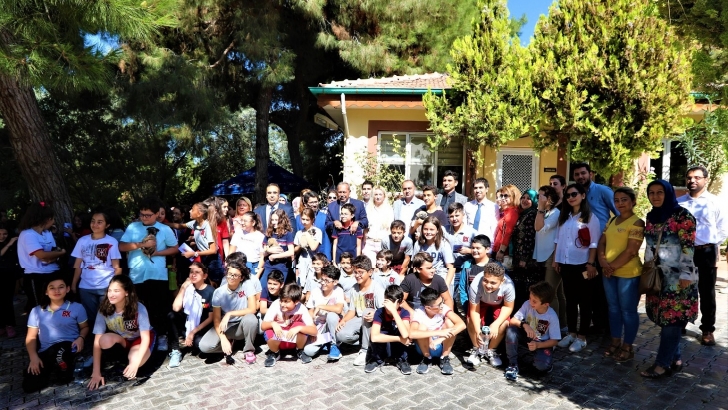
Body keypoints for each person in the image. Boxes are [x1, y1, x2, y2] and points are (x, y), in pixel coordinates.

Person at [640, 180, 698, 378]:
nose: (655, 196)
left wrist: (686, 274)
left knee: (672, 320)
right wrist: (647, 268)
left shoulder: (683, 216)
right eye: (651, 192)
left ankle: (662, 364)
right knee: (663, 318)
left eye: (660, 192)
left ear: (668, 194)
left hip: (678, 279)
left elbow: (688, 247)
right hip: (658, 276)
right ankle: (675, 358)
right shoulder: (651, 216)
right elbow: (650, 245)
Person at [677, 165, 727, 346]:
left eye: (697, 177)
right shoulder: (679, 203)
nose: (692, 180)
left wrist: (711, 244)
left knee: (706, 291)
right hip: (684, 253)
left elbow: (723, 228)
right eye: (689, 177)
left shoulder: (715, 202)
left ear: (705, 179)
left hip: (706, 252)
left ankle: (707, 329)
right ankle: (681, 322)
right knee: (683, 289)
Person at [119, 197, 178, 352]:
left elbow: (174, 248)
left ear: (157, 214)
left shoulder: (164, 229)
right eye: (142, 214)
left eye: (148, 215)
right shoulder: (133, 227)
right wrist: (141, 245)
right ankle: (145, 337)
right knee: (141, 308)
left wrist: (157, 252)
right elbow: (122, 246)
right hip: (137, 273)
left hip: (157, 274)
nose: (144, 218)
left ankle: (162, 336)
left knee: (160, 307)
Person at [597, 187, 644, 362]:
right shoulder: (612, 220)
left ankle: (627, 346)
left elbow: (631, 251)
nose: (620, 203)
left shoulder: (637, 223)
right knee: (613, 309)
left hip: (628, 274)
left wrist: (610, 267)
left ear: (633, 201)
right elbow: (602, 242)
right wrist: (602, 261)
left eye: (624, 199)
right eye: (616, 200)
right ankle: (615, 341)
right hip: (609, 272)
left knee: (628, 311)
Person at [553, 184, 601, 353]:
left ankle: (582, 337)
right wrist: (556, 260)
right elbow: (558, 240)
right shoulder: (564, 217)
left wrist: (591, 263)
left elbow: (594, 243)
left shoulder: (590, 218)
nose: (571, 198)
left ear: (582, 195)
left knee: (585, 301)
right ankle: (572, 333)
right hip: (566, 264)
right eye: (567, 195)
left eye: (574, 194)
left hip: (583, 264)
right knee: (571, 301)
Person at [572, 163, 618, 333]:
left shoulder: (602, 191)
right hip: (581, 248)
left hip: (600, 246)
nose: (580, 177)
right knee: (588, 288)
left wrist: (611, 234)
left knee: (600, 288)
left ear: (590, 174)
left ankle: (605, 325)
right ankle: (596, 323)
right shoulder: (575, 193)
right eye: (577, 174)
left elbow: (619, 213)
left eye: (583, 173)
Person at [23, 274, 89, 392]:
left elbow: (85, 327)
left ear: (67, 289)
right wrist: (33, 357)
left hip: (69, 347)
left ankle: (63, 370)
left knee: (62, 359)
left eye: (61, 287)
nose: (57, 291)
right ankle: (55, 368)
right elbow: (31, 337)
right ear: (46, 291)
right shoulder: (36, 311)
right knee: (29, 386)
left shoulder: (77, 307)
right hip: (47, 351)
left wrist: (81, 338)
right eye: (52, 288)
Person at [88, 276, 153, 390]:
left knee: (137, 362)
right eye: (109, 290)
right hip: (122, 340)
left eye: (116, 291)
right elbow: (97, 342)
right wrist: (96, 372)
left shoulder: (139, 308)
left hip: (139, 340)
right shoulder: (103, 309)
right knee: (104, 340)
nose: (111, 294)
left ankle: (134, 361)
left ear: (126, 292)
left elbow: (145, 338)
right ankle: (123, 361)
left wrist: (135, 363)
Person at [199, 262, 260, 365]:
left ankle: (248, 350)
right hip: (226, 326)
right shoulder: (219, 292)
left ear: (241, 278)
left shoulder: (247, 285)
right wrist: (223, 338)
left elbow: (252, 309)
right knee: (204, 346)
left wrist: (230, 314)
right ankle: (229, 346)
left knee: (251, 319)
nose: (231, 277)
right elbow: (216, 319)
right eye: (229, 274)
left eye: (235, 275)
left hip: (242, 324)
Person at [70, 211, 123, 325]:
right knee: (91, 318)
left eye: (100, 222)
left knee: (108, 316)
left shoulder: (111, 241)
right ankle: (94, 336)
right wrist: (74, 284)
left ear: (107, 225)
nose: (95, 225)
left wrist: (115, 286)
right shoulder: (82, 241)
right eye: (93, 221)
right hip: (85, 286)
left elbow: (117, 267)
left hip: (106, 285)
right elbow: (78, 265)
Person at [504, 281, 561, 381]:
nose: (530, 302)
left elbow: (555, 341)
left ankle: (543, 362)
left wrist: (538, 345)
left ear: (545, 304)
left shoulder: (552, 316)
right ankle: (512, 364)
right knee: (511, 330)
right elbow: (512, 321)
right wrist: (524, 325)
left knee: (541, 366)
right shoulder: (527, 304)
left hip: (542, 342)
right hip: (526, 336)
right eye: (530, 298)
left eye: (534, 301)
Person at [335, 256, 386, 366]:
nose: (357, 275)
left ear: (370, 272)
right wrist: (343, 320)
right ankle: (365, 341)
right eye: (355, 272)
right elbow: (352, 311)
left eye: (360, 272)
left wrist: (375, 314)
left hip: (374, 321)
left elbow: (383, 309)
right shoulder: (354, 288)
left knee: (367, 311)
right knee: (341, 334)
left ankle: (365, 350)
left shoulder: (377, 288)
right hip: (359, 319)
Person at [17, 202, 66, 313]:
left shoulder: (47, 233)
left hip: (54, 272)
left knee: (56, 305)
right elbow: (42, 255)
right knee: (40, 307)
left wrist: (54, 256)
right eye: (52, 219)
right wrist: (61, 253)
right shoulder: (27, 234)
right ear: (46, 219)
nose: (53, 221)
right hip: (35, 275)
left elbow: (53, 251)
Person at [466, 262, 515, 367]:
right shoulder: (475, 284)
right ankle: (477, 348)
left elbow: (508, 307)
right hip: (481, 302)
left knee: (504, 324)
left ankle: (491, 350)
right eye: (485, 280)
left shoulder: (509, 285)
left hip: (499, 303)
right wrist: (478, 331)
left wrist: (496, 324)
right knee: (471, 320)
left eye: (493, 283)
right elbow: (474, 311)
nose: (488, 285)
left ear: (502, 281)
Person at [166, 262, 214, 368]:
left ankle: (194, 342)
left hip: (201, 328)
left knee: (199, 345)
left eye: (197, 272)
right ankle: (175, 350)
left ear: (204, 276)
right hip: (187, 325)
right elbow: (176, 308)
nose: (193, 275)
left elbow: (211, 318)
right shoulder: (188, 289)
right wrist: (183, 287)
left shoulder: (210, 291)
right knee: (171, 316)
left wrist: (192, 333)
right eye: (191, 272)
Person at [409, 287, 466, 375]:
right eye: (439, 305)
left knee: (449, 323)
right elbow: (411, 334)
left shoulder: (443, 308)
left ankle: (444, 357)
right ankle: (426, 358)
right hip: (424, 347)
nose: (442, 305)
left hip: (440, 346)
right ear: (428, 308)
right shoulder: (419, 313)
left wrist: (440, 339)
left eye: (442, 302)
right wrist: (438, 333)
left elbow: (462, 324)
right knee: (422, 327)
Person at [262, 283, 318, 367]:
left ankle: (299, 350)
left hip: (294, 341)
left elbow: (314, 331)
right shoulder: (275, 305)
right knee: (269, 329)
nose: (282, 304)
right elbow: (263, 326)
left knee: (300, 325)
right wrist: (273, 324)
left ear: (296, 302)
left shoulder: (301, 308)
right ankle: (275, 352)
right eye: (281, 300)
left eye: (286, 301)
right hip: (279, 340)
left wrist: (299, 328)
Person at [534, 186, 566, 330]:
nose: (538, 199)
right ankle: (562, 325)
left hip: (552, 255)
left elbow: (538, 227)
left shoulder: (555, 213)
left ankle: (554, 327)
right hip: (543, 254)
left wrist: (540, 209)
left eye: (541, 196)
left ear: (550, 199)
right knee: (557, 293)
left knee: (550, 293)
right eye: (538, 196)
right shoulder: (544, 213)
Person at [366, 284, 412, 374]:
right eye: (387, 302)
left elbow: (405, 334)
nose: (388, 307)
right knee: (379, 335)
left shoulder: (404, 312)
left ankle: (402, 360)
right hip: (384, 345)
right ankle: (377, 360)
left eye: (392, 304)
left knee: (402, 332)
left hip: (398, 347)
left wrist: (394, 312)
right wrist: (399, 339)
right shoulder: (380, 312)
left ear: (400, 302)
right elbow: (374, 337)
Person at [303, 265, 345, 361]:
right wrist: (312, 327)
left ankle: (334, 345)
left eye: (326, 281)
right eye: (322, 280)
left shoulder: (338, 291)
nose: (323, 283)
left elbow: (338, 309)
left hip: (333, 325)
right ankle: (325, 342)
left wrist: (320, 306)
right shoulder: (315, 291)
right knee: (308, 351)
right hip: (319, 326)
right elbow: (310, 310)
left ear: (335, 282)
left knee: (331, 315)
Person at [510, 189, 540, 309]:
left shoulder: (532, 215)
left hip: (527, 260)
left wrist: (524, 258)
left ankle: (526, 314)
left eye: (528, 198)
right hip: (519, 257)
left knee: (526, 289)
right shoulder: (523, 214)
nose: (525, 200)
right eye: (523, 197)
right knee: (519, 288)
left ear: (534, 201)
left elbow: (530, 237)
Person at [411, 216, 455, 288]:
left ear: (437, 230)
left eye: (431, 229)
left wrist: (446, 285)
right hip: (424, 277)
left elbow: (451, 267)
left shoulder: (444, 244)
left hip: (441, 276)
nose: (428, 232)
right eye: (425, 229)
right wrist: (417, 282)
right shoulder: (418, 244)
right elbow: (415, 266)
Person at [257, 209, 295, 286]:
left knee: (278, 287)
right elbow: (264, 252)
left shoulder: (287, 234)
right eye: (272, 220)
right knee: (263, 286)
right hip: (268, 266)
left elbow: (291, 252)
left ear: (282, 220)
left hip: (282, 266)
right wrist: (269, 251)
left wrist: (274, 256)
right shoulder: (269, 234)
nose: (274, 222)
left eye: (276, 220)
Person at [457, 235, 492, 314]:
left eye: (478, 248)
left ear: (487, 249)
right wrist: (466, 304)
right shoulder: (467, 265)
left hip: (490, 305)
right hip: (472, 305)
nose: (475, 250)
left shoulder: (495, 265)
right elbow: (462, 287)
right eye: (473, 248)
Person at [296, 190, 332, 260]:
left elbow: (327, 239)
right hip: (305, 257)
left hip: (321, 255)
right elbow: (298, 239)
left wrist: (327, 257)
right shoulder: (298, 218)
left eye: (316, 202)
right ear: (305, 204)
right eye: (311, 202)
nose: (314, 204)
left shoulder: (325, 217)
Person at [362, 186, 393, 265]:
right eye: (376, 194)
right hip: (370, 243)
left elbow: (390, 229)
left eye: (380, 194)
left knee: (381, 267)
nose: (378, 197)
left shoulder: (389, 210)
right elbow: (365, 228)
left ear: (384, 196)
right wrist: (364, 240)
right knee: (370, 266)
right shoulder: (368, 209)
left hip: (382, 243)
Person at [202, 197, 230, 282]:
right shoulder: (200, 222)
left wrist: (228, 259)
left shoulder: (222, 222)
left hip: (217, 258)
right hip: (202, 257)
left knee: (216, 281)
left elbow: (225, 241)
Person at [0, 224, 21, 337]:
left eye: (5, 234)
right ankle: (2, 325)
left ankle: (9, 325)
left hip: (8, 275)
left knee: (7, 301)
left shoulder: (13, 245)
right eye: (0, 234)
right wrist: (9, 244)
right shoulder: (9, 244)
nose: (2, 236)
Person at [492, 185, 521, 263]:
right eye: (501, 195)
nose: (502, 198)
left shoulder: (512, 212)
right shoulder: (506, 211)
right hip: (499, 249)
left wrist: (501, 251)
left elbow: (508, 233)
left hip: (505, 253)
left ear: (513, 196)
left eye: (506, 196)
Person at [294, 208, 322, 286]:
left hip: (314, 261)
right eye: (303, 219)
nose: (304, 222)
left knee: (313, 283)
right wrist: (300, 245)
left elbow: (313, 247)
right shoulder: (299, 233)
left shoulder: (317, 231)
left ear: (312, 220)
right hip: (303, 260)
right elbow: (295, 249)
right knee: (301, 283)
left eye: (307, 220)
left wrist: (306, 235)